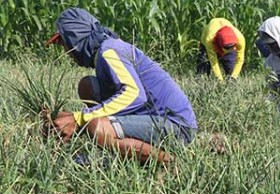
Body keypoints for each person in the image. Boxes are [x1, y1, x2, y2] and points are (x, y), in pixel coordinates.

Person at [48, 8, 197, 164]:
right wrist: (73, 118)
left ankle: (169, 163)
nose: (65, 51)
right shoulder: (105, 51)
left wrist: (80, 118)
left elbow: (134, 95)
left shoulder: (109, 51)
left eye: (63, 43)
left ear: (74, 39)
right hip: (151, 117)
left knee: (96, 126)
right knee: (88, 85)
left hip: (176, 127)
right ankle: (120, 149)